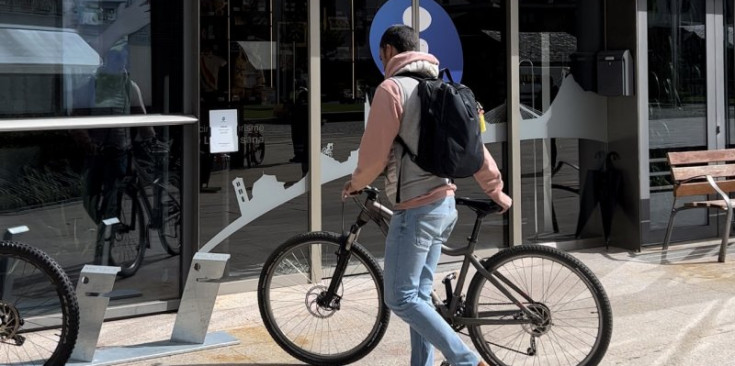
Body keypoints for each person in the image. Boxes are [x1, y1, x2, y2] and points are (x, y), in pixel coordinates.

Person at [340, 25, 512, 366]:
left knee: (400, 299)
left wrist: (356, 183)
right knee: (418, 296)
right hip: (444, 206)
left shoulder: (392, 90)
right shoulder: (447, 89)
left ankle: (466, 361)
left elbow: (374, 155)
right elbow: (475, 150)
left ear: (389, 51)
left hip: (416, 210)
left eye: (380, 54)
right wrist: (496, 190)